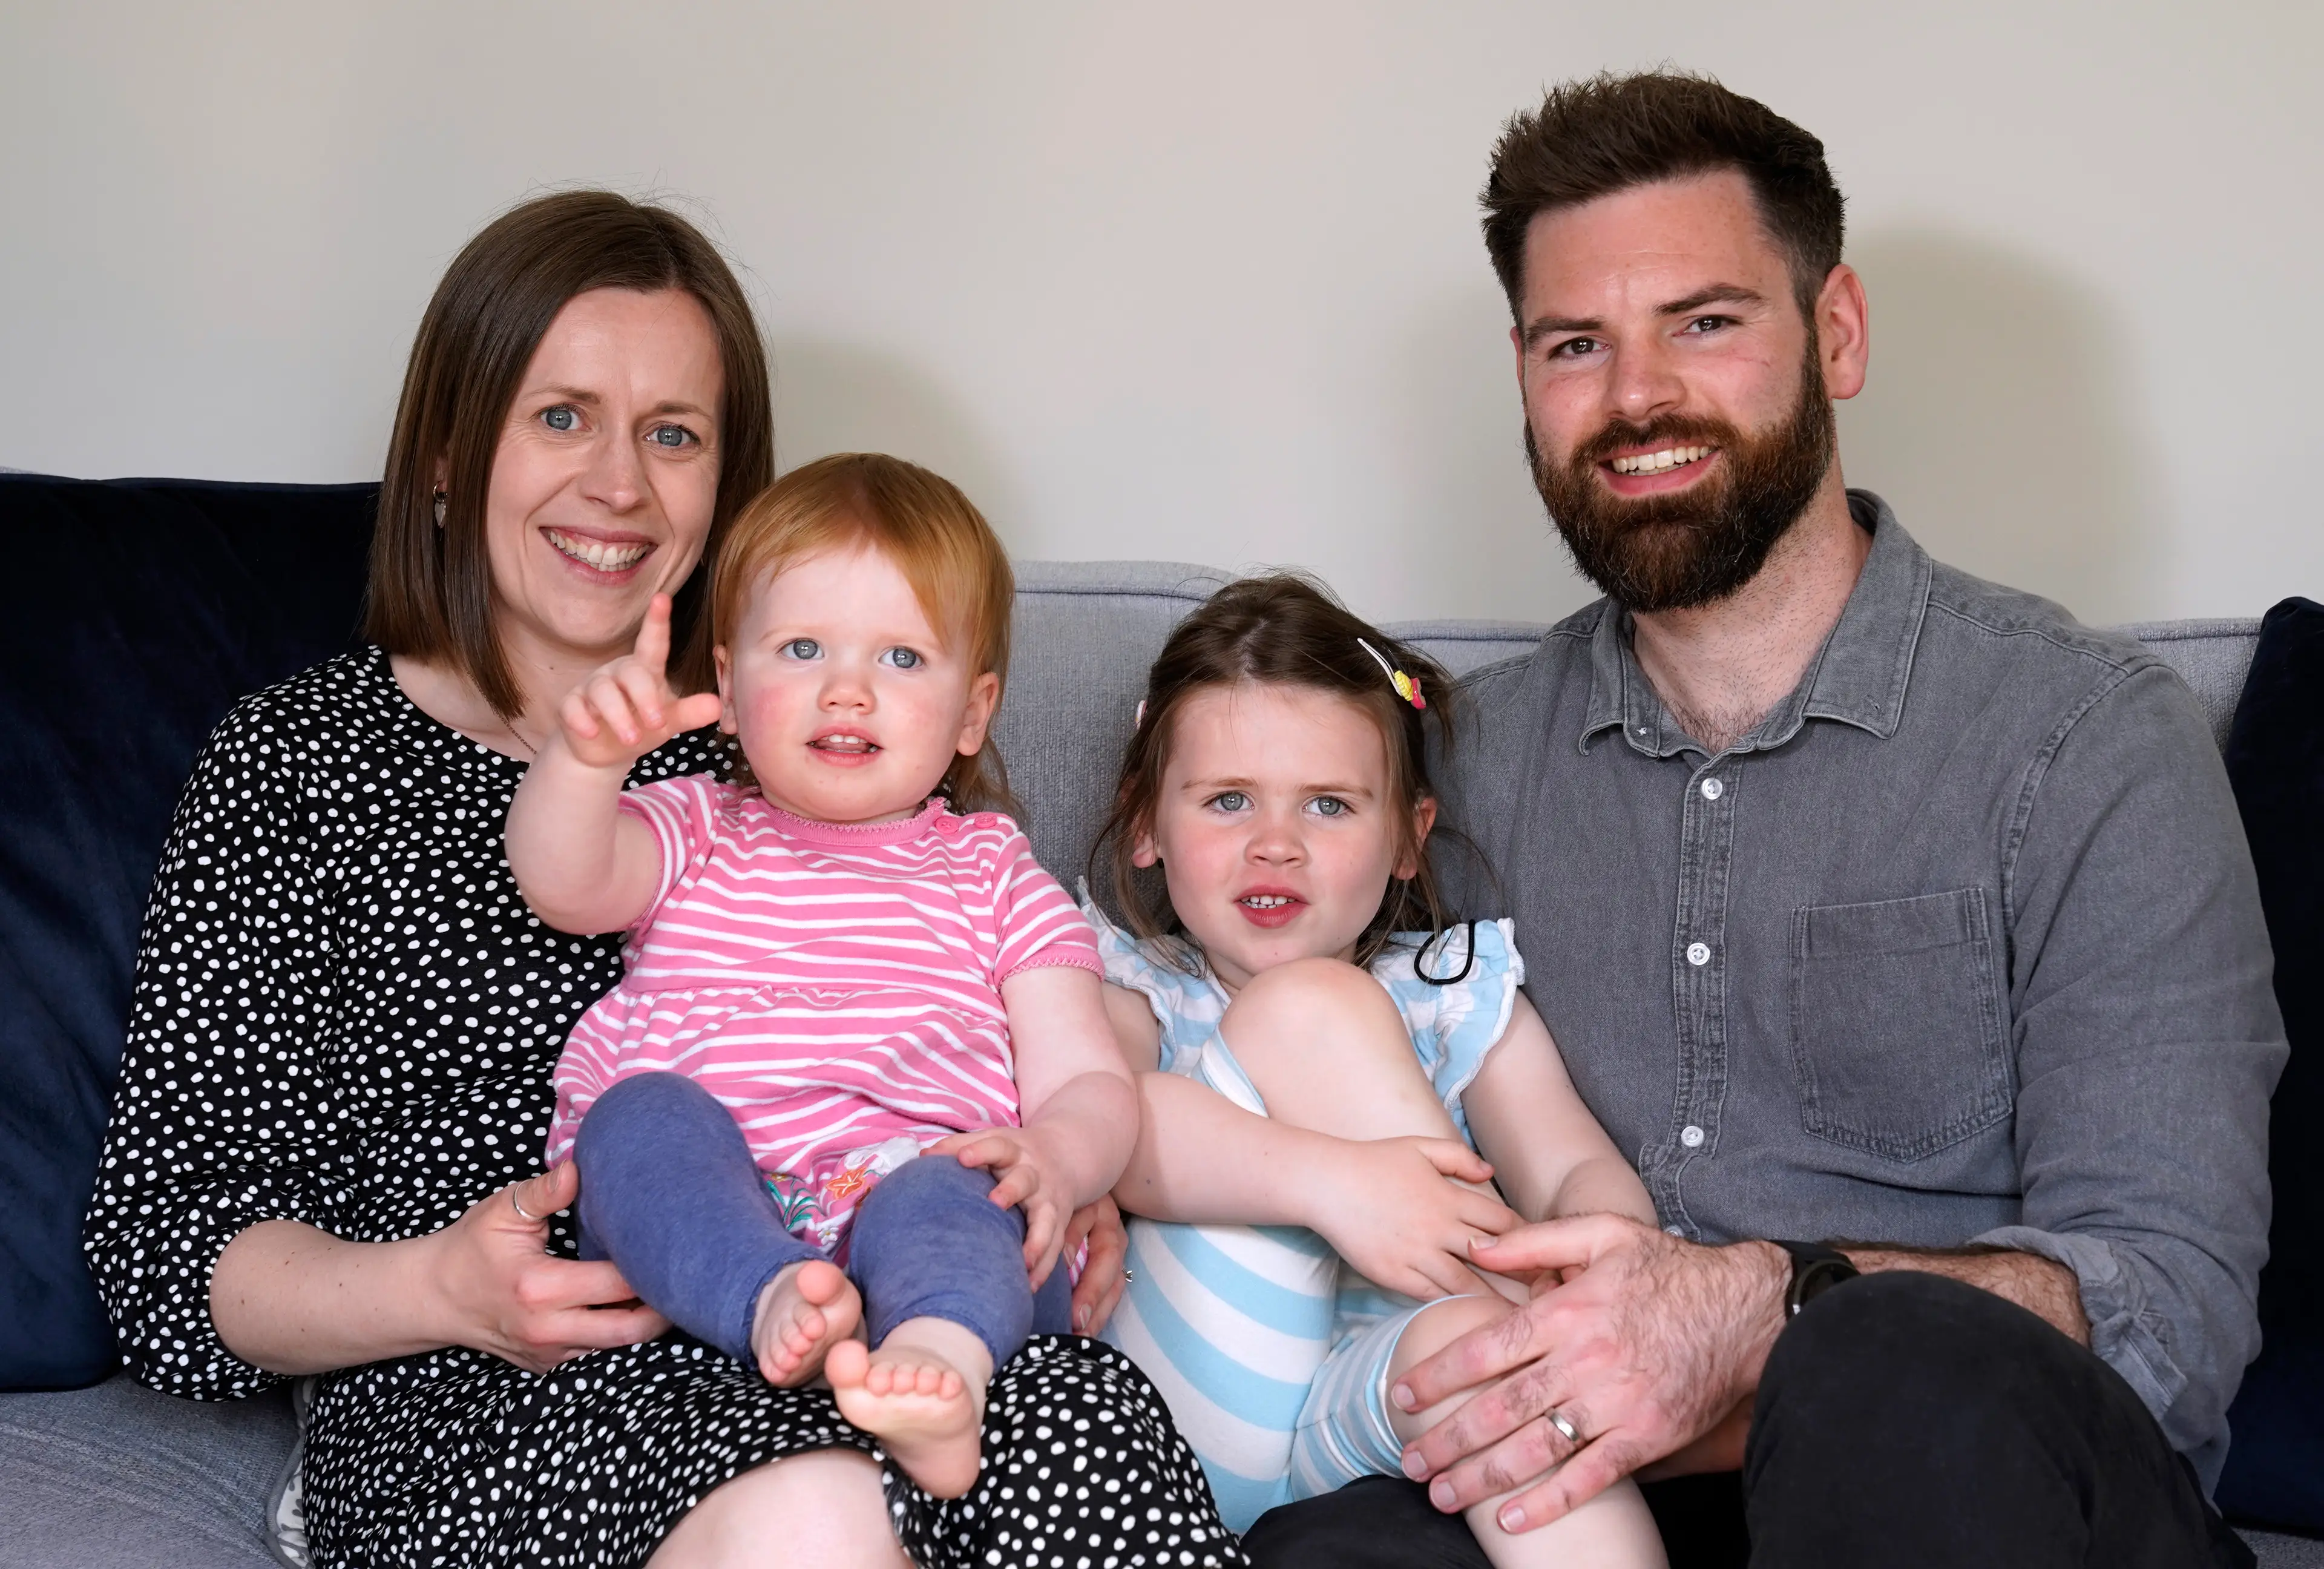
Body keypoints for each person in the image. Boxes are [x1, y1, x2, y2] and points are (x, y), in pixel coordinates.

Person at [82, 191, 1239, 1569]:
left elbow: (1028, 981)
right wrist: (439, 1288)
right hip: (504, 1385)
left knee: (1090, 1438)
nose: (620, 485)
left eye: (673, 436)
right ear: (451, 454)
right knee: (816, 1509)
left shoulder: (824, 740)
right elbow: (165, 1249)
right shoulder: (300, 761)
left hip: (875, 1299)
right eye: (561, 416)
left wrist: (1057, 1165)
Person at [1241, 73, 2285, 1569]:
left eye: (1705, 322)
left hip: (1969, 1495)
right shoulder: (1451, 773)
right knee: (1332, 1552)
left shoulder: (2089, 744)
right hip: (1586, 1502)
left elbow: (2169, 1315)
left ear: (1836, 333)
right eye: (1575, 345)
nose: (1636, 396)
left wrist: (1760, 1311)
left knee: (1885, 1362)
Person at [506, 452, 1138, 1501]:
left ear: (974, 713)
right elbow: (563, 883)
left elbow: (1089, 1078)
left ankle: (941, 1370)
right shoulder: (695, 826)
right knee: (637, 1117)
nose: (847, 688)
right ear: (728, 678)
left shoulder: (992, 872)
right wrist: (586, 762)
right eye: (801, 648)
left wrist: (1062, 1160)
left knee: (965, 1187)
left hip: (919, 1192)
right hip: (714, 1211)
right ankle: (772, 1304)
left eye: (900, 656)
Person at [1089, 574, 1667, 1567]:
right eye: (1228, 801)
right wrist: (1336, 1184)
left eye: (1328, 805)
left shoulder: (1455, 990)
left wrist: (1613, 1270)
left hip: (1370, 1401)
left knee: (1494, 1376)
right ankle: (1530, 1333)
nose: (1276, 844)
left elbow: (1569, 1169)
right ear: (1145, 824)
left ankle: (1542, 1369)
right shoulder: (1130, 982)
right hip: (1180, 1424)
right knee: (1307, 1006)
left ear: (1408, 837)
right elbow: (1107, 1138)